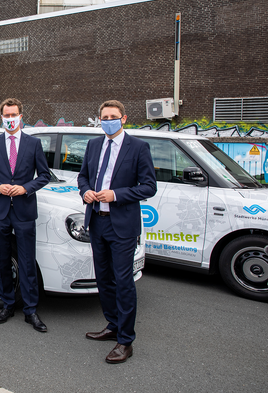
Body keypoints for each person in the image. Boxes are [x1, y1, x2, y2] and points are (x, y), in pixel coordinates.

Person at [77, 100, 157, 364]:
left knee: (123, 282)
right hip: (97, 222)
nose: (108, 120)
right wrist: (85, 191)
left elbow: (148, 187)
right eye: (104, 117)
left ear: (123, 119)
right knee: (104, 279)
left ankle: (126, 340)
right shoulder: (93, 145)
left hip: (122, 225)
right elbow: (83, 177)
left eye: (113, 116)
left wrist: (116, 195)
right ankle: (112, 325)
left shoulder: (138, 148)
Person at [0, 98, 51, 331]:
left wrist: (26, 188)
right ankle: (7, 304)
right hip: (0, 210)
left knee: (27, 261)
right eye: (6, 115)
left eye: (14, 115)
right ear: (1, 117)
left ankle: (30, 310)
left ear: (21, 116)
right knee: (1, 259)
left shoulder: (33, 144)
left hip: (24, 210)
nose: (10, 119)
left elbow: (44, 175)